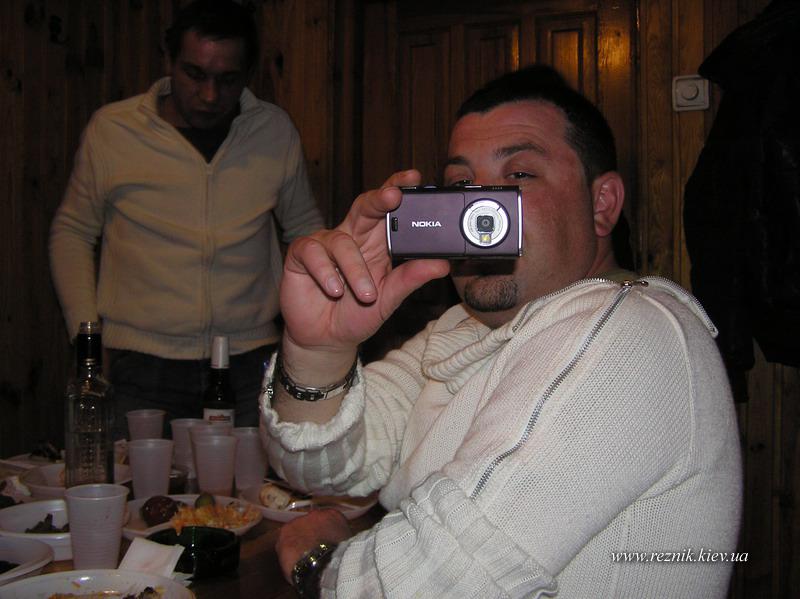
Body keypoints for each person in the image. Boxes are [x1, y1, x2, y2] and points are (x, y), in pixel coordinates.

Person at [262, 66, 742, 598]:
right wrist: (318, 351)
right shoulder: (462, 330)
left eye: (519, 174)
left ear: (602, 204)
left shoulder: (630, 334)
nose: (481, 206)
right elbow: (322, 472)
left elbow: (427, 586)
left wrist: (317, 560)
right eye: (460, 185)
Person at [49, 0, 324, 438]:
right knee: (138, 482)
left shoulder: (274, 132)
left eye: (227, 79)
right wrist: (87, 338)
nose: (210, 95)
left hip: (250, 361)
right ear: (169, 61)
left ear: (248, 74)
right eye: (195, 74)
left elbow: (306, 231)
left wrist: (303, 331)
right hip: (140, 365)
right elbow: (72, 232)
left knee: (248, 483)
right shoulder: (113, 131)